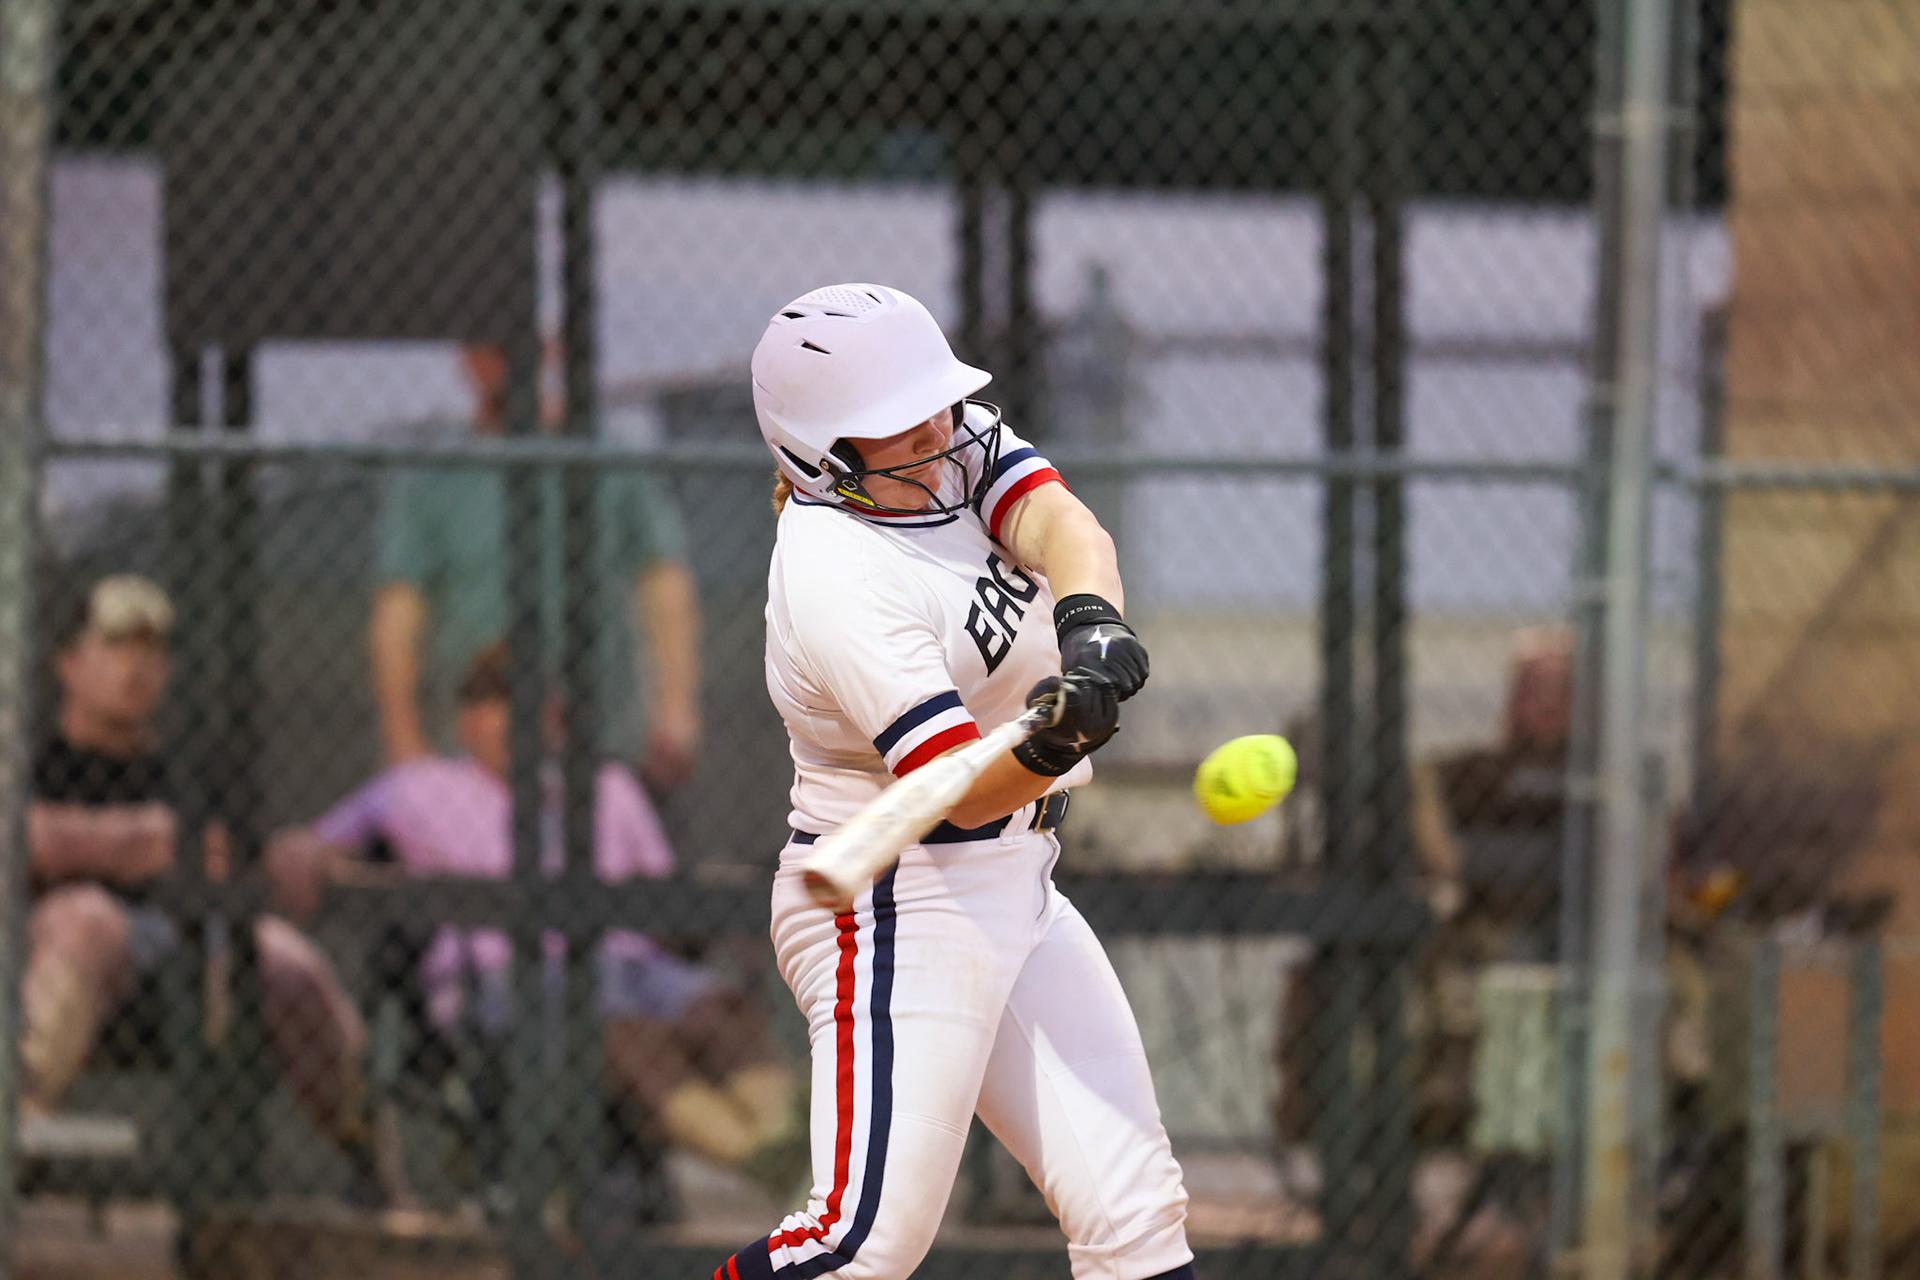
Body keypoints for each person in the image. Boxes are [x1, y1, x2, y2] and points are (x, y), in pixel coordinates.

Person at [711, 284, 1193, 1280]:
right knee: (861, 1244)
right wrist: (1057, 740)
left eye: (933, 401)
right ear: (824, 453)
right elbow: (952, 788)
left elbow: (1065, 525)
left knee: (1134, 1209)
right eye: (900, 420)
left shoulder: (949, 442)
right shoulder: (835, 571)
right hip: (899, 899)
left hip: (1017, 872)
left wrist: (1092, 621)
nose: (938, 425)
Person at [267, 644, 804, 1192]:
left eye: (540, 708)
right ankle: (767, 1159)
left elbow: (664, 894)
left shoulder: (607, 789)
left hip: (630, 964)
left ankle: (793, 1146)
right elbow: (311, 845)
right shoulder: (418, 788)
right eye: (502, 704)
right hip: (511, 980)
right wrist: (305, 853)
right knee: (619, 1035)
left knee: (720, 1011)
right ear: (468, 722)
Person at [21, 574, 400, 1202]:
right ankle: (22, 1129)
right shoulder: (34, 760)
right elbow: (31, 841)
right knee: (86, 916)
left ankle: (377, 1173)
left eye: (151, 652)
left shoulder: (193, 768)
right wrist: (136, 841)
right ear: (69, 664)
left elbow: (244, 858)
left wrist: (289, 855)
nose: (136, 667)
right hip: (65, 962)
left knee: (287, 959)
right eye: (115, 647)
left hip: (191, 954)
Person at [369, 341, 702, 793]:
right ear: (466, 359)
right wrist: (404, 741)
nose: (498, 362)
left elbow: (662, 580)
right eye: (484, 347)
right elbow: (399, 610)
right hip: (475, 766)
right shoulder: (434, 473)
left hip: (607, 747)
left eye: (510, 346)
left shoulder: (608, 454)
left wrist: (675, 709)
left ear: (547, 349)